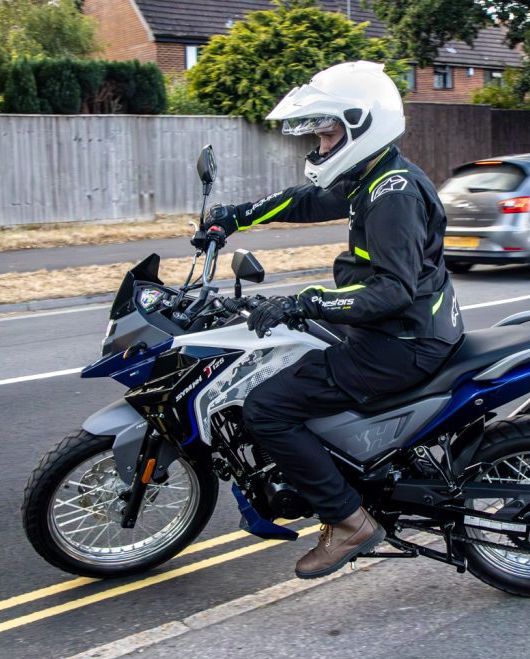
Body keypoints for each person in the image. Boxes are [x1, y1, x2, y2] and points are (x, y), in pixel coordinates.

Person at [194, 61, 464, 579]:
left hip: (400, 342)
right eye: (317, 133)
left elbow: (390, 291)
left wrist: (305, 301)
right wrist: (234, 216)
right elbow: (310, 199)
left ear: (362, 126)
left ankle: (348, 522)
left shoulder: (392, 195)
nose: (318, 144)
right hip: (405, 328)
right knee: (293, 351)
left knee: (267, 407)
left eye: (327, 130)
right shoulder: (375, 175)